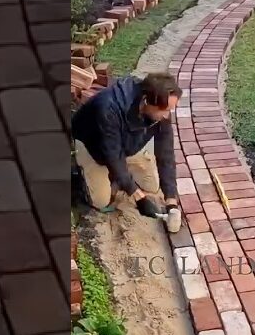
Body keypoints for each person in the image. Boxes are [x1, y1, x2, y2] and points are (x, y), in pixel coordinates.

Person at [72, 73, 183, 233]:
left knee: (152, 186)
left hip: (125, 143)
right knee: (101, 201)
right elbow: (113, 156)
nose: (167, 115)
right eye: (164, 110)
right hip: (93, 146)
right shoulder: (108, 108)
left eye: (170, 110)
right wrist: (138, 197)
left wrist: (171, 201)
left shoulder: (159, 107)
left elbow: (166, 153)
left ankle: (120, 178)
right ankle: (87, 173)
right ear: (146, 101)